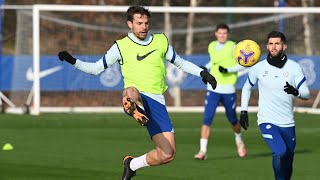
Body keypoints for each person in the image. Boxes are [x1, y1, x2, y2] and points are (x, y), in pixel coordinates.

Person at [58, 5, 217, 180]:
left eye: (146, 23)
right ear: (130, 24)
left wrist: (203, 73)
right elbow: (96, 68)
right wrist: (73, 61)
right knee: (131, 91)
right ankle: (133, 107)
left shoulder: (161, 41)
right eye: (139, 23)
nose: (143, 27)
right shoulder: (120, 46)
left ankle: (131, 164)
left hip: (157, 102)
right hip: (137, 94)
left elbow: (180, 62)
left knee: (167, 154)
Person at [240, 31, 310, 180]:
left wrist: (295, 91)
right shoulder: (258, 68)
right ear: (266, 46)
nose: (273, 47)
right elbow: (246, 87)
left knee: (288, 160)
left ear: (284, 46)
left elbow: (306, 93)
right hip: (267, 120)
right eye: (271, 43)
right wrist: (243, 112)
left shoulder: (294, 67)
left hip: (288, 122)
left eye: (277, 43)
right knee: (280, 152)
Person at [194, 23, 246, 160]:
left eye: (224, 33)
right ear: (216, 33)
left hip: (228, 89)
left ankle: (239, 141)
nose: (222, 35)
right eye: (220, 33)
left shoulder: (234, 47)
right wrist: (205, 67)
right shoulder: (211, 45)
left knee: (233, 119)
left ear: (227, 34)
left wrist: (228, 70)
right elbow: (213, 62)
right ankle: (202, 151)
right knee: (207, 119)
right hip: (213, 88)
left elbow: (242, 64)